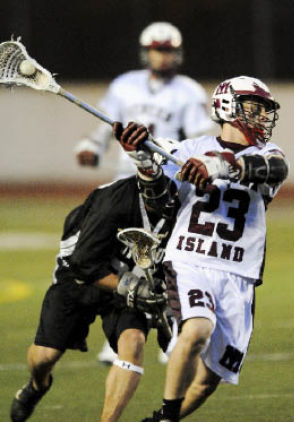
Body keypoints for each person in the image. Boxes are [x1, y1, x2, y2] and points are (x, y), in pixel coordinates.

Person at [113, 75, 289, 422]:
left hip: (238, 273)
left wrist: (218, 167)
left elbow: (272, 171)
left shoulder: (270, 153)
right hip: (191, 258)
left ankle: (161, 420)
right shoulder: (188, 147)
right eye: (253, 108)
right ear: (228, 106)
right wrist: (144, 161)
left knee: (211, 379)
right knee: (196, 330)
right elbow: (159, 201)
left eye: (263, 110)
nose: (260, 117)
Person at [74, 21, 213, 365]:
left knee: (171, 258)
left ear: (176, 54)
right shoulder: (124, 86)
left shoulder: (188, 91)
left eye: (166, 50)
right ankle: (119, 335)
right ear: (146, 51)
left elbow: (201, 140)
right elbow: (106, 126)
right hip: (126, 183)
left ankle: (177, 331)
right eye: (157, 50)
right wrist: (92, 146)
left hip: (167, 185)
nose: (162, 57)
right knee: (123, 261)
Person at [9, 167, 179, 422]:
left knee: (134, 343)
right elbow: (83, 265)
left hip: (131, 281)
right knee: (44, 357)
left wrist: (169, 311)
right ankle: (38, 385)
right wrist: (133, 288)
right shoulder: (112, 202)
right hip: (83, 277)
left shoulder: (181, 207)